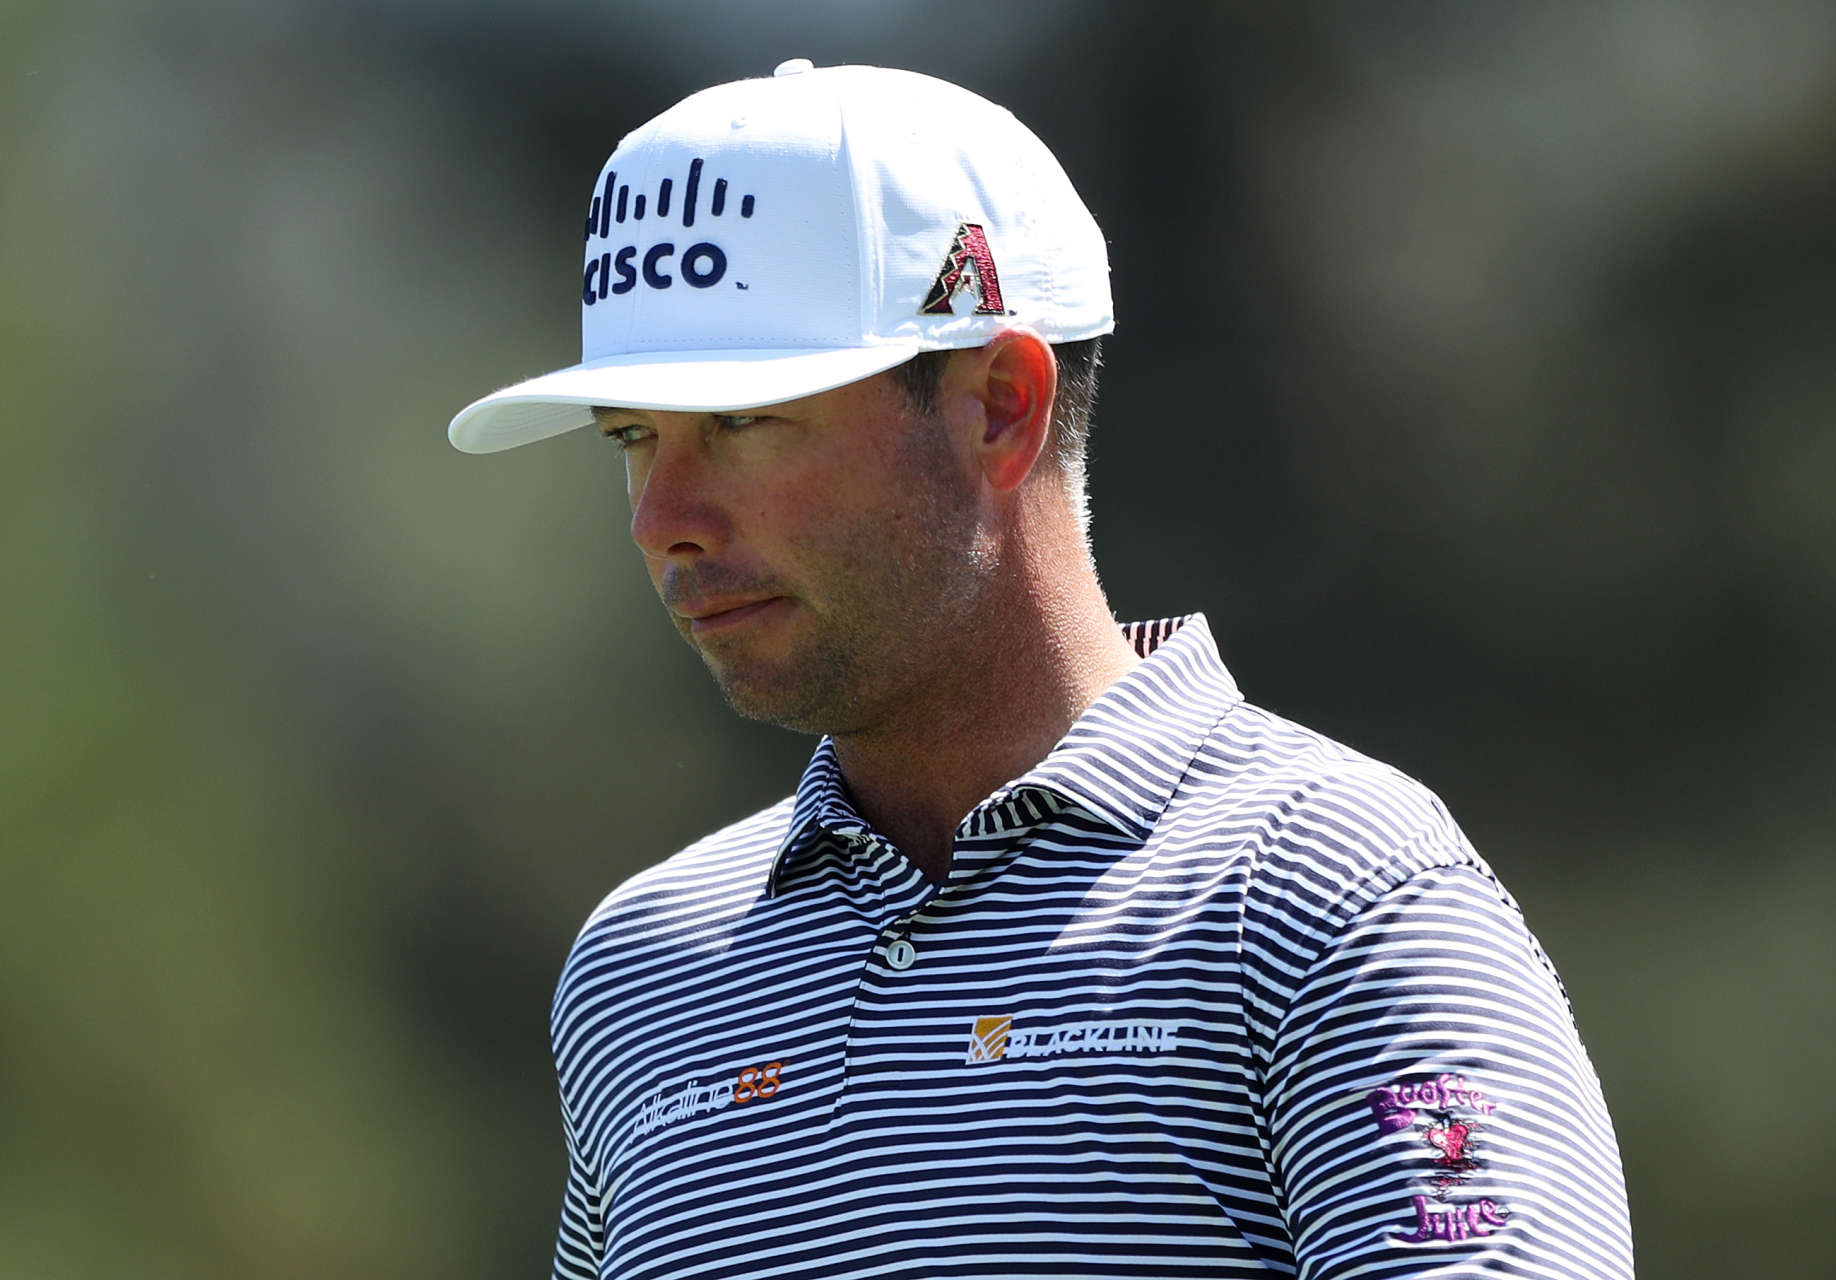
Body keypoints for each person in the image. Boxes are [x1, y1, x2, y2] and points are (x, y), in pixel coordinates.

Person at [448, 60, 1632, 1280]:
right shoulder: (643, 970)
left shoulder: (1330, 891)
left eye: (746, 423)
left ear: (1001, 407)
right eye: (634, 439)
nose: (663, 519)